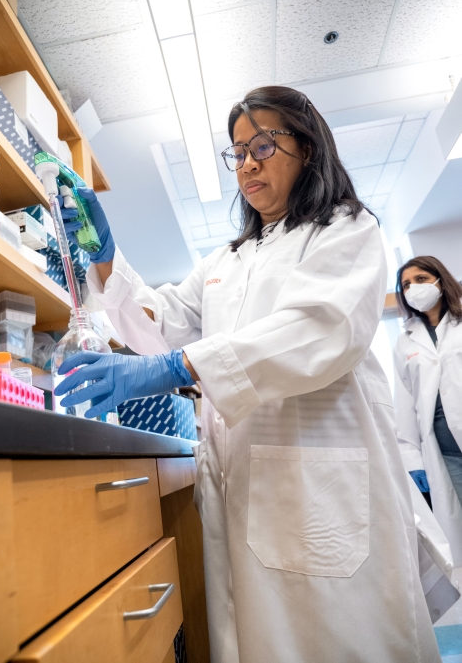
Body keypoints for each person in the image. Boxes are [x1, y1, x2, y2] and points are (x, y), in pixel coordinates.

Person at [54, 86, 440, 662]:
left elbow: (318, 330)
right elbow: (161, 318)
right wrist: (103, 253)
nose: (248, 163)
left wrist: (176, 367)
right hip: (247, 492)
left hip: (320, 489)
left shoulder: (346, 231)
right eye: (237, 152)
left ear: (308, 149)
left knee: (340, 640)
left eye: (263, 144)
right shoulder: (225, 262)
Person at [394, 255, 462, 569]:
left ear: (439, 279)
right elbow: (405, 403)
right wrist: (411, 457)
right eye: (406, 284)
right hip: (443, 453)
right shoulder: (405, 341)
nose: (413, 289)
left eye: (420, 279)